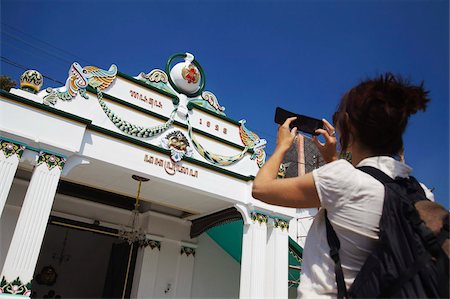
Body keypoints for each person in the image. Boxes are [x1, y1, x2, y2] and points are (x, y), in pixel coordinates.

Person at [252, 73, 433, 298]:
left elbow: (260, 188)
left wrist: (282, 146)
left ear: (348, 124)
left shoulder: (340, 179)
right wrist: (333, 159)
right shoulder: (420, 192)